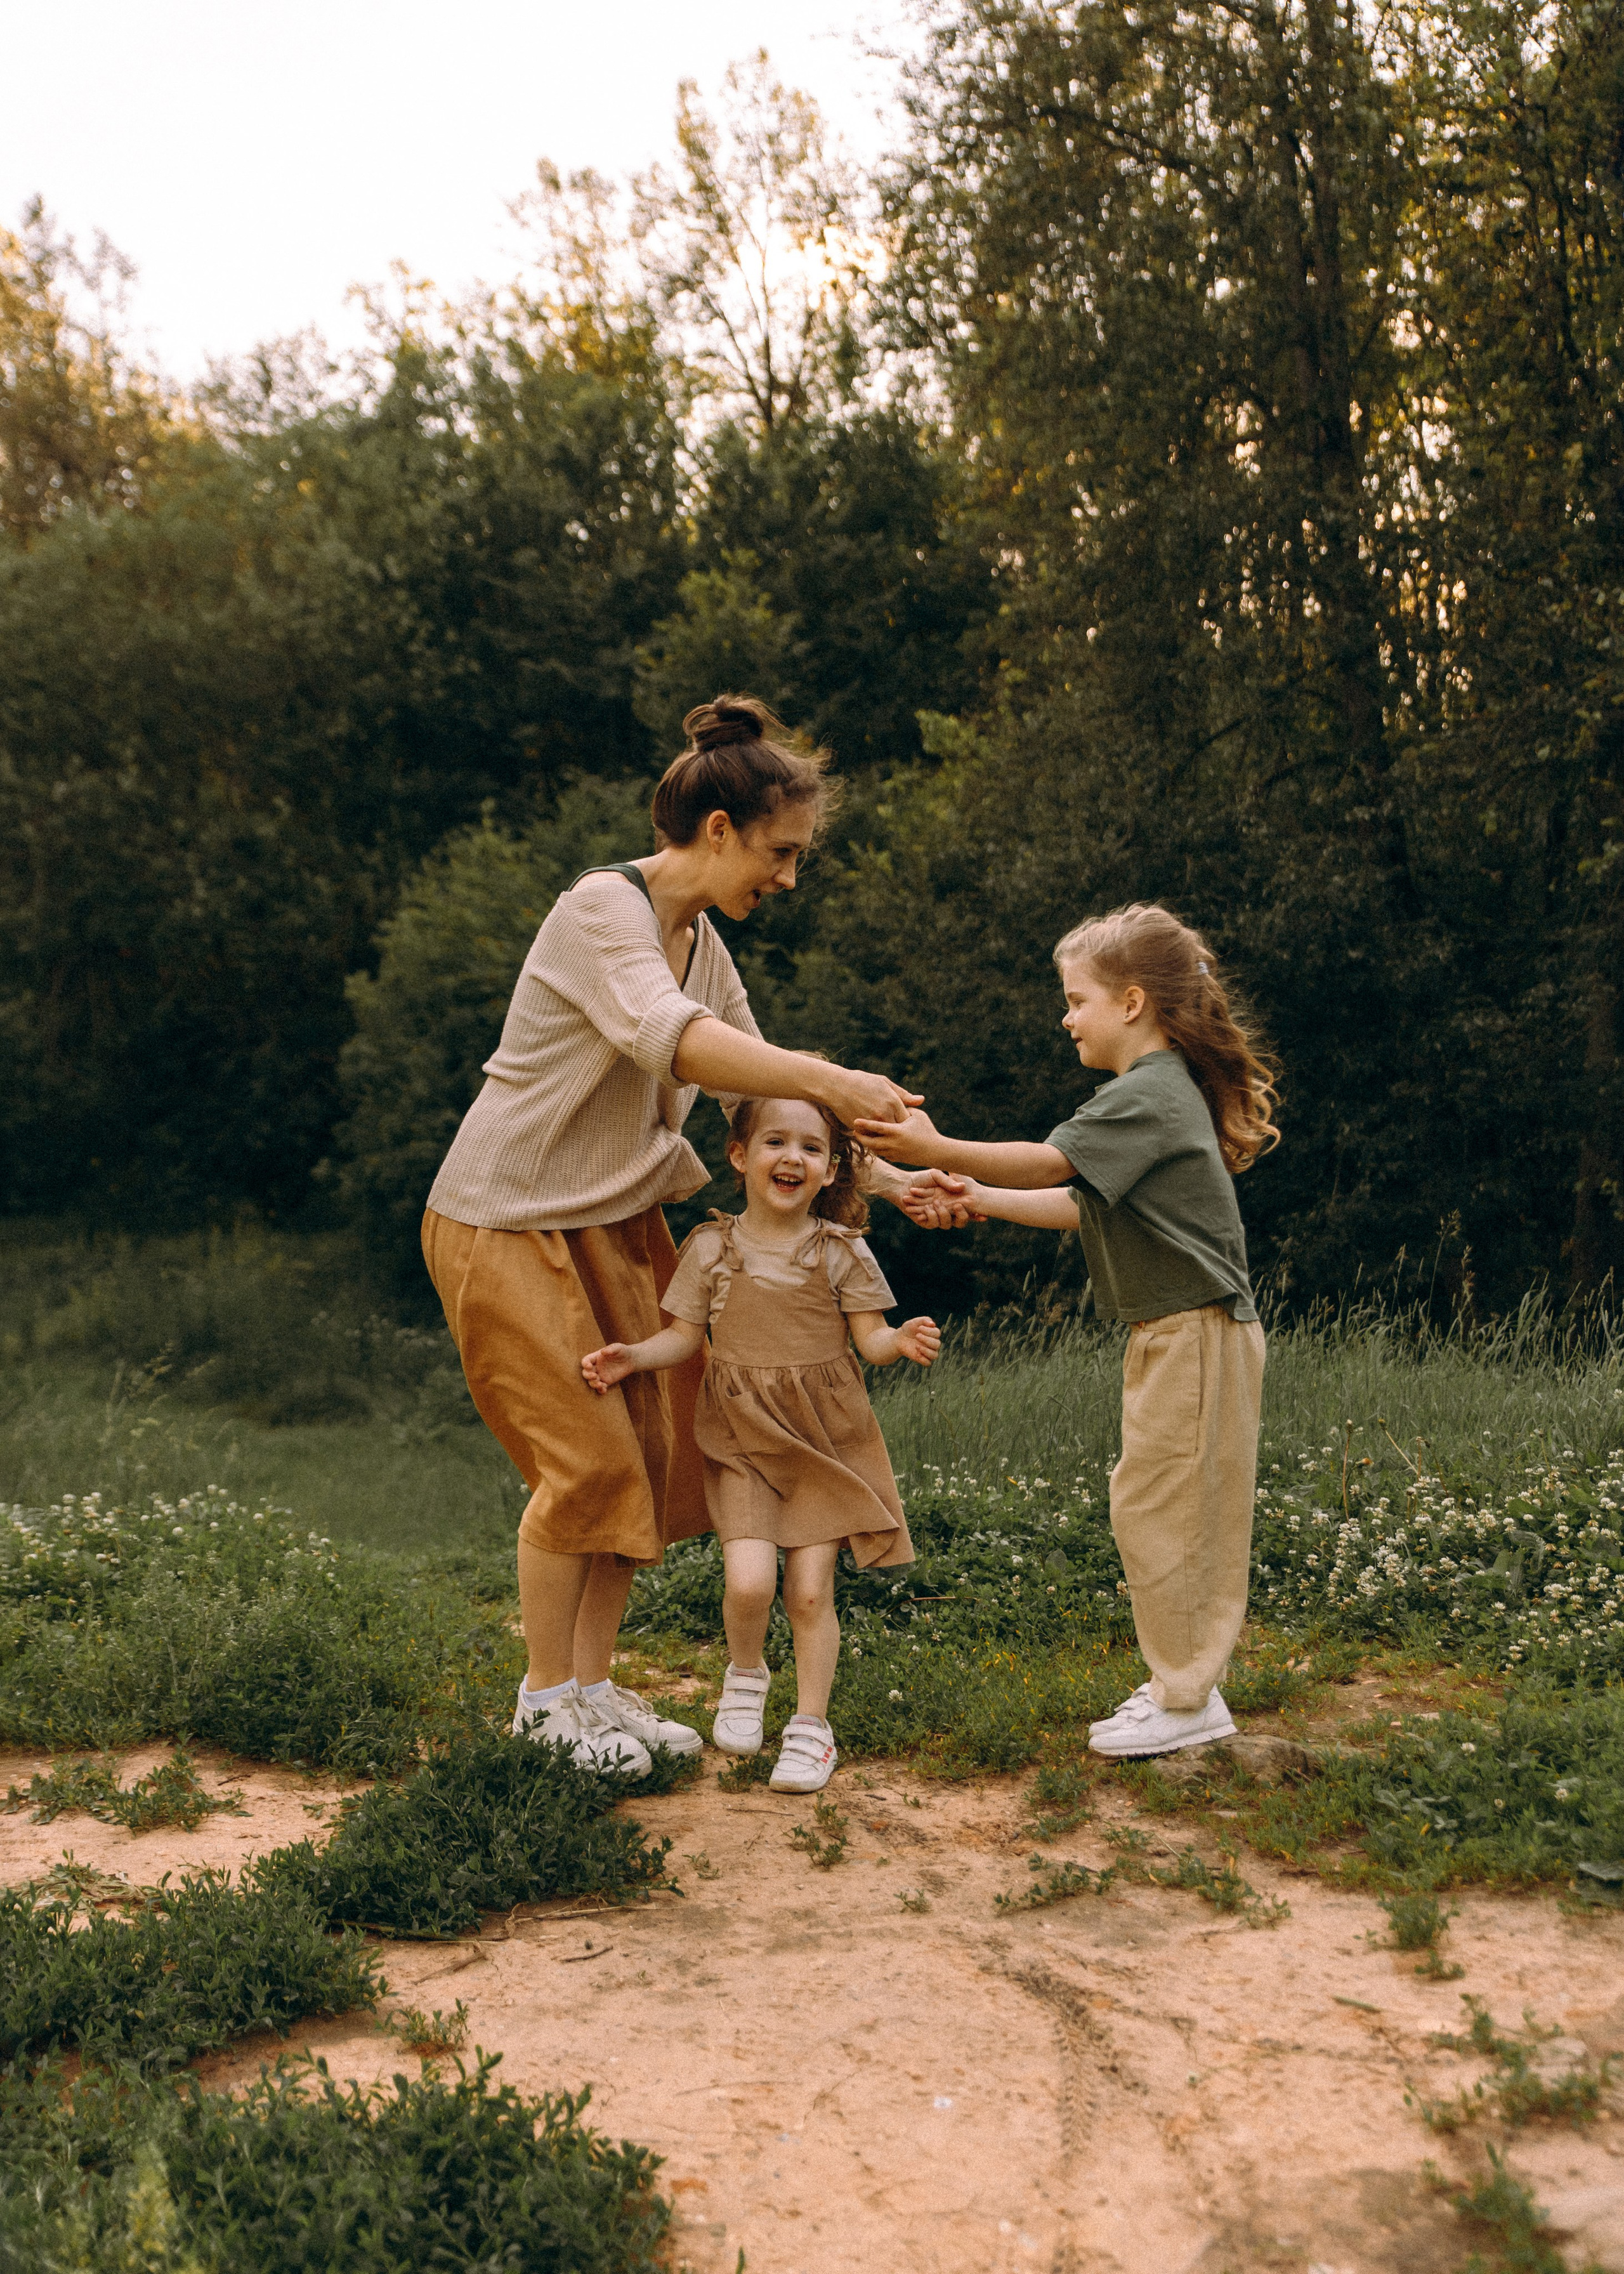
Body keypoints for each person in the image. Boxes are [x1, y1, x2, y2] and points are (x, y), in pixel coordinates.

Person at [422, 694, 940, 1779]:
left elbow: (752, 1098)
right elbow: (684, 1046)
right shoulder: (599, 911)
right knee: (586, 1463)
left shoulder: (697, 937)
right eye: (782, 852)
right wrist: (837, 1078)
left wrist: (884, 1177)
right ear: (719, 831)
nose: (790, 877)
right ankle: (543, 1703)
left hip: (616, 1216)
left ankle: (595, 1689)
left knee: (651, 1466)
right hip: (506, 1218)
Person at [858, 902, 1279, 1760]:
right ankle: (1179, 1683)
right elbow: (1077, 1205)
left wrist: (940, 1144)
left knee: (1168, 1511)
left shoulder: (1149, 1092)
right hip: (1175, 1334)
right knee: (1156, 1504)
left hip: (1195, 1334)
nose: (1066, 1015)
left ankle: (1190, 1697)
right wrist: (976, 1199)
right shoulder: (1150, 1096)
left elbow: (1051, 1163)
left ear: (1131, 1003)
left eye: (1076, 999)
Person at [580, 1093, 941, 1791]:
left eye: (811, 1148)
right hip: (740, 1437)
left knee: (809, 1592)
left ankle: (812, 1727)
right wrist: (632, 1356)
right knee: (748, 1583)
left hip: (824, 1440)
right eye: (776, 1142)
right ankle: (745, 1673)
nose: (793, 1157)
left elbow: (869, 1340)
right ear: (740, 1156)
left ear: (832, 1169)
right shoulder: (712, 1247)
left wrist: (899, 1340)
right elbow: (685, 1337)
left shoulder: (842, 1250)